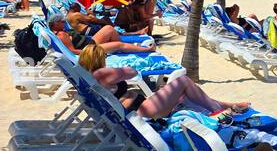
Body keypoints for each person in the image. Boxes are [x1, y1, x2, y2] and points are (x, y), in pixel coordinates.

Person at [77, 43, 249, 121]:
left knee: (184, 92)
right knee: (182, 81)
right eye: (104, 57)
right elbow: (132, 72)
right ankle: (219, 112)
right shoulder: (101, 73)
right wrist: (122, 72)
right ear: (99, 59)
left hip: (137, 110)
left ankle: (227, 105)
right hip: (139, 113)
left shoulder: (87, 76)